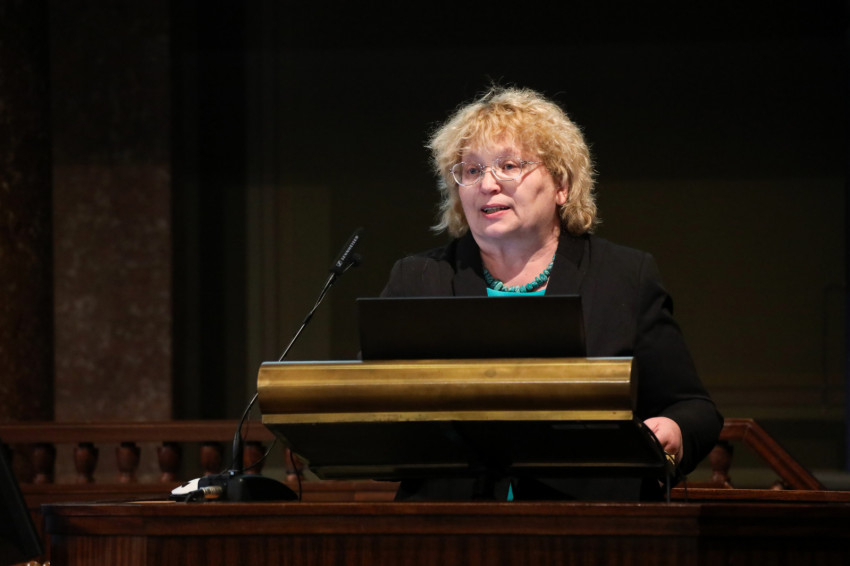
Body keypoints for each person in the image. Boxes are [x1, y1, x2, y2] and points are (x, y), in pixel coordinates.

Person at [380, 86, 723, 501]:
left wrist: (673, 430)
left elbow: (693, 408)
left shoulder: (622, 277)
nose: (487, 184)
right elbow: (373, 409)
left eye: (509, 165)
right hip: (447, 523)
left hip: (587, 521)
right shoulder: (418, 279)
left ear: (561, 184)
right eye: (471, 171)